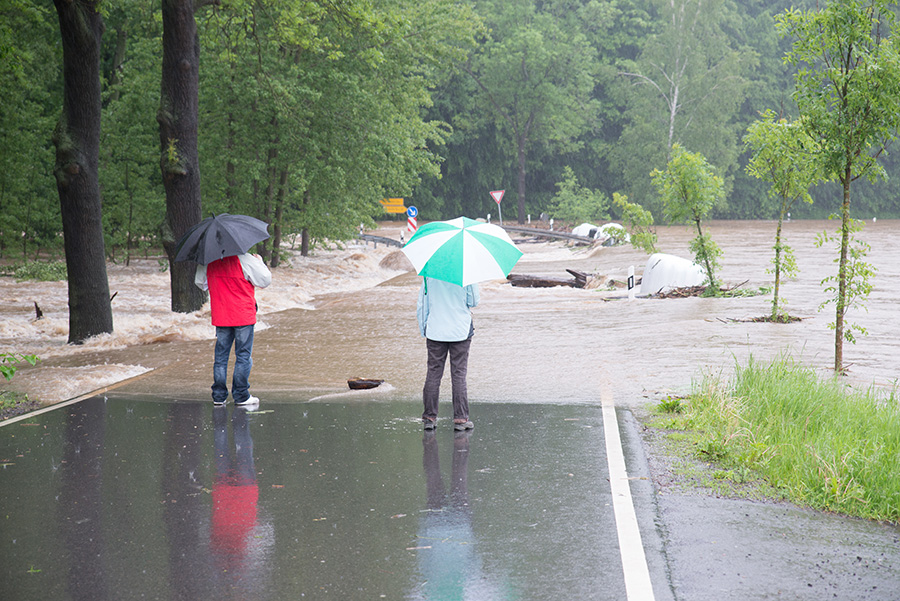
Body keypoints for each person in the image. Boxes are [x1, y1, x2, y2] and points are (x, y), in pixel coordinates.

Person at [195, 253, 271, 407]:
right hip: (243, 314)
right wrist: (260, 262)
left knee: (221, 357)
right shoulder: (245, 259)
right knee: (243, 356)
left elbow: (200, 283)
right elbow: (265, 280)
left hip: (221, 314)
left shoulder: (208, 260)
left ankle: (218, 396)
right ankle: (241, 395)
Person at [416, 277, 479, 431]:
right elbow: (474, 301)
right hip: (460, 330)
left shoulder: (429, 273)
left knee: (433, 373)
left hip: (435, 330)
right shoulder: (467, 272)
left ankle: (429, 418)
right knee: (459, 375)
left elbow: (422, 305)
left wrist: (424, 329)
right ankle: (461, 419)